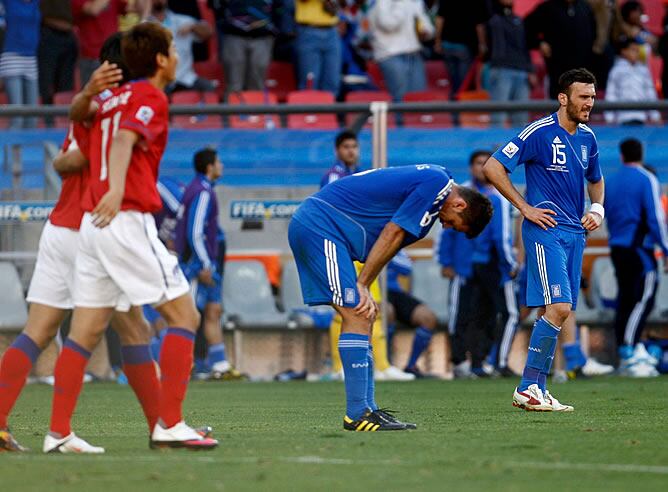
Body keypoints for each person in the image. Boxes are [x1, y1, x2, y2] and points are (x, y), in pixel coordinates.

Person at [44, 22, 218, 452]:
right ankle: (171, 424)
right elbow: (124, 140)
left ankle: (57, 431)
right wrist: (118, 189)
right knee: (185, 316)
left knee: (86, 332)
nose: (177, 56)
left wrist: (85, 92)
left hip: (91, 224)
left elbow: (77, 124)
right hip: (123, 218)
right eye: (174, 49)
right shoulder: (148, 95)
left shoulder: (106, 100)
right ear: (160, 60)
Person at [0, 34, 161, 453]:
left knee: (39, 330)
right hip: (94, 227)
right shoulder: (115, 108)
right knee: (133, 328)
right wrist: (106, 153)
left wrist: (93, 146)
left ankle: (5, 424)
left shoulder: (93, 107)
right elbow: (65, 160)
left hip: (62, 226)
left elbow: (63, 158)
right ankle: (161, 426)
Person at [289, 164, 493, 431]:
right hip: (320, 226)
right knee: (357, 312)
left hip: (329, 231)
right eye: (453, 224)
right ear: (460, 206)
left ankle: (368, 409)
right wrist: (363, 284)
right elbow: (392, 232)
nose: (445, 226)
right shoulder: (437, 182)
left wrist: (366, 284)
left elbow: (389, 244)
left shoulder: (434, 193)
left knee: (365, 315)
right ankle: (357, 413)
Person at [483, 68, 605, 412]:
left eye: (593, 97)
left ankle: (535, 386)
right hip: (545, 230)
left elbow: (596, 179)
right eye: (583, 96)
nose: (589, 103)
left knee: (561, 311)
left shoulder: (588, 138)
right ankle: (528, 386)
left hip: (575, 232)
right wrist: (525, 207)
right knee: (559, 307)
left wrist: (597, 209)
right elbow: (493, 167)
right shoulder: (539, 131)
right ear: (563, 98)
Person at [605, 137, 668, 377]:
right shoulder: (647, 179)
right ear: (641, 154)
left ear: (621, 155)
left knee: (626, 300)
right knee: (644, 299)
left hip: (617, 247)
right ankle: (629, 350)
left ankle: (625, 349)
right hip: (640, 248)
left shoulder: (610, 181)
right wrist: (666, 248)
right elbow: (655, 218)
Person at [174, 148, 237, 380]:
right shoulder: (201, 192)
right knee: (188, 315)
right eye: (219, 162)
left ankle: (219, 365)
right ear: (210, 167)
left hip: (201, 262)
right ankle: (182, 365)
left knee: (213, 310)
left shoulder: (200, 189)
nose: (221, 165)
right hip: (195, 265)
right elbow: (195, 231)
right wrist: (204, 264)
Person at [525, 0, 596, 99]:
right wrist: (539, 43)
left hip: (582, 73)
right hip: (557, 74)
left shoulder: (585, 8)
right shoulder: (547, 8)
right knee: (558, 106)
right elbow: (526, 29)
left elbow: (594, 35)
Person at [386, 250, 439, 378]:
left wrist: (385, 255)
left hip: (394, 291)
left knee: (428, 318)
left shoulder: (393, 242)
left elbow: (407, 267)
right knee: (387, 313)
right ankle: (385, 365)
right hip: (371, 289)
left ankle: (411, 366)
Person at [368, 0, 434, 103]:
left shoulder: (415, 1)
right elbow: (389, 24)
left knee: (419, 99)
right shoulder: (381, 2)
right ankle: (400, 120)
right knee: (400, 100)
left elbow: (426, 24)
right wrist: (401, 2)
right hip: (391, 55)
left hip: (414, 53)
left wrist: (426, 31)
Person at [72, 0, 149, 85]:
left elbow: (133, 8)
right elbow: (93, 9)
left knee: (116, 92)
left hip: (114, 54)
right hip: (92, 56)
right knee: (95, 94)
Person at [149, 0, 216, 93]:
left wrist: (193, 27)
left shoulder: (182, 20)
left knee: (209, 88)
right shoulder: (144, 25)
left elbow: (209, 31)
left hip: (185, 77)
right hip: (159, 79)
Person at [486, 0, 533, 127]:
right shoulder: (491, 19)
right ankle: (495, 146)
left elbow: (524, 46)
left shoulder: (518, 20)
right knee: (498, 117)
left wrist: (530, 70)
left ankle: (521, 147)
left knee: (521, 118)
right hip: (501, 70)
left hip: (521, 71)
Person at [218, 0, 280, 97]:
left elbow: (281, 7)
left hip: (263, 35)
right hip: (233, 34)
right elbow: (217, 7)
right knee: (234, 84)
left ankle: (256, 110)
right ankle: (233, 111)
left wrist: (275, 28)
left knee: (257, 83)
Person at [0, 0, 40, 129]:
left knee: (33, 115)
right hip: (11, 56)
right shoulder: (8, 2)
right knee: (17, 115)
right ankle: (13, 148)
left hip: (31, 57)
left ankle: (31, 148)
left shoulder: (35, 2)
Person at [604, 36, 661, 126]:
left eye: (637, 51)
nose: (636, 53)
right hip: (622, 118)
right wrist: (609, 118)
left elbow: (650, 92)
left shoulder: (643, 70)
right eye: (633, 50)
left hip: (641, 118)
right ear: (624, 51)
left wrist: (655, 116)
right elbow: (611, 94)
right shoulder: (616, 70)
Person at [37, 0, 78, 125]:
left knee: (65, 87)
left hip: (69, 35)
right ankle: (49, 123)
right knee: (46, 84)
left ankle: (65, 123)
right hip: (49, 33)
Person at [294, 0, 341, 94]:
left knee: (332, 81)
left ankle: (330, 108)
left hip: (332, 31)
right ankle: (308, 108)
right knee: (310, 82)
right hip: (309, 30)